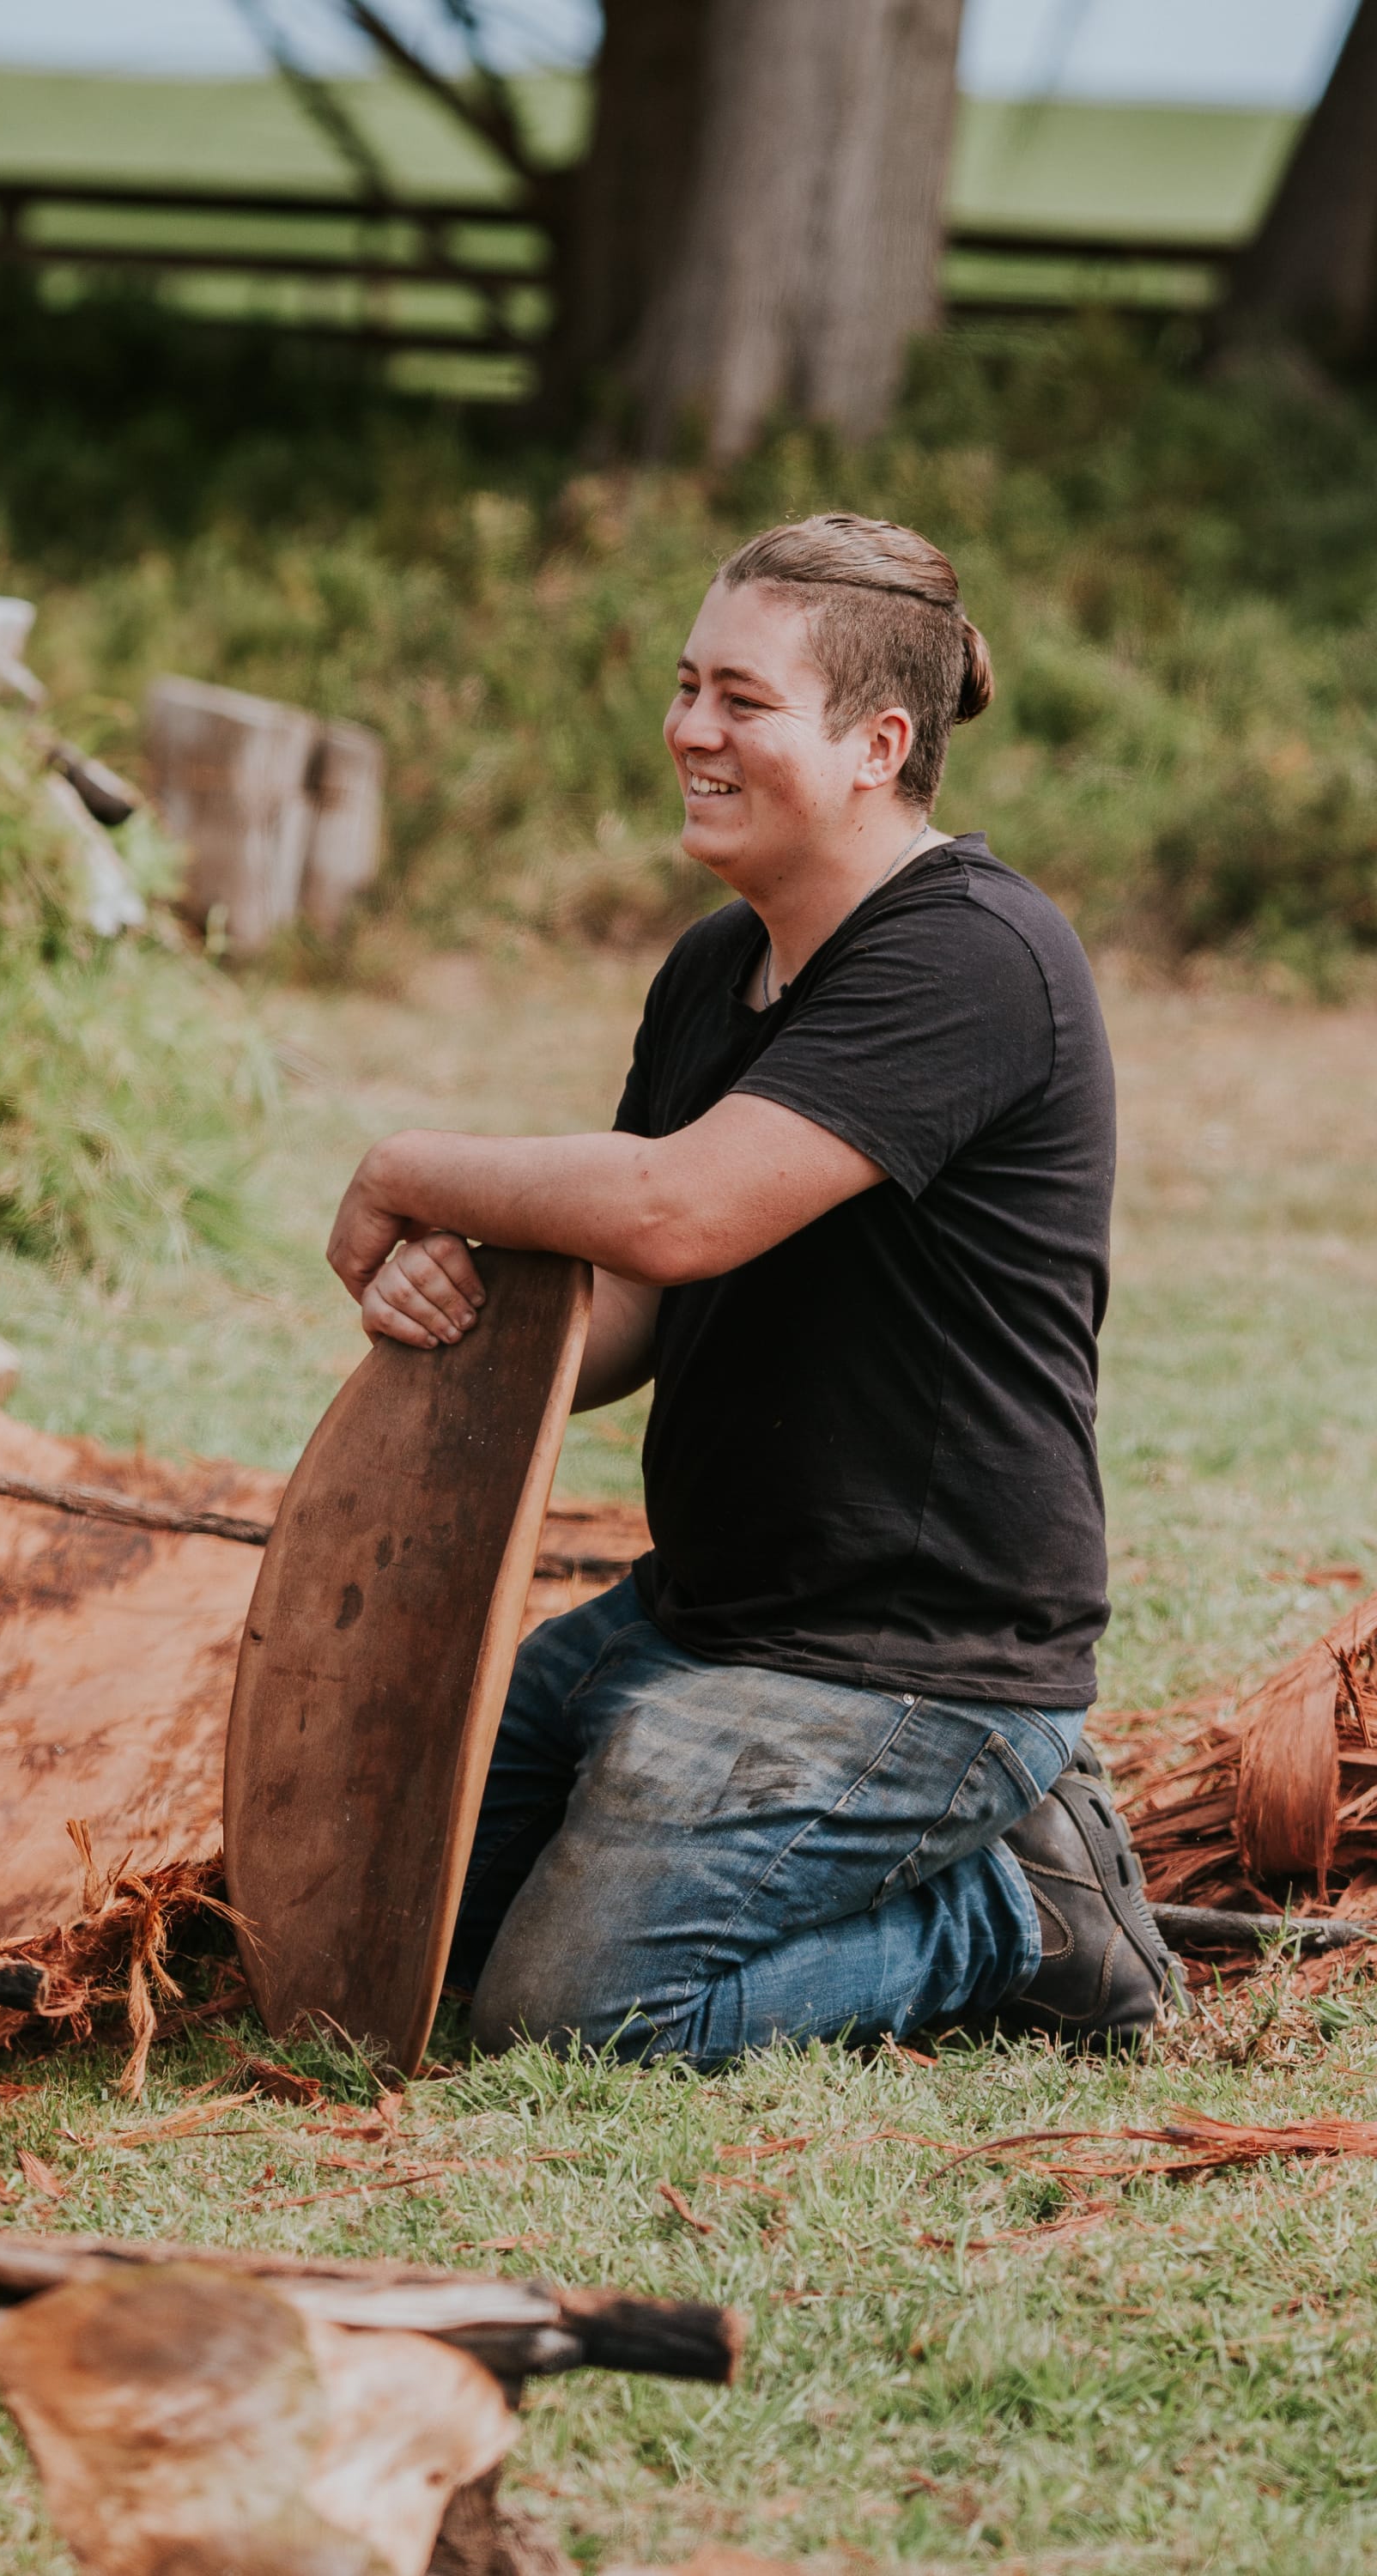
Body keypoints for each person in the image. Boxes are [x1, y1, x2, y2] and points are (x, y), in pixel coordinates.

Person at [325, 511, 1172, 2063]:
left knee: (571, 2022)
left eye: (743, 701)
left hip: (914, 1665)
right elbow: (640, 1302)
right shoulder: (720, 966)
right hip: (703, 1614)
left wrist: (409, 1168)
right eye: (686, 685)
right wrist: (475, 1321)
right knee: (401, 1930)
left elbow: (680, 1209)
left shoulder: (975, 958)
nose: (689, 731)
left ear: (877, 744)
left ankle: (1018, 1921)